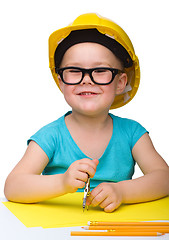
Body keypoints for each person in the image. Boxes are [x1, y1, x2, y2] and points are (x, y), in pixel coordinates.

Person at [4, 13, 169, 212]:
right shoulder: (50, 136)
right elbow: (13, 187)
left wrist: (122, 192)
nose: (86, 79)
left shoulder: (133, 133)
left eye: (100, 70)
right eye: (74, 70)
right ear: (61, 82)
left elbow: (164, 178)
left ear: (120, 82)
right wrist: (63, 182)